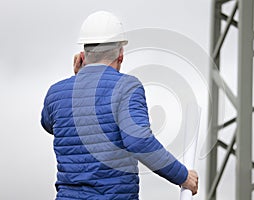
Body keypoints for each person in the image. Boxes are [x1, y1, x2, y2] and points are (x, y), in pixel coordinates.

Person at [41, 11, 198, 200]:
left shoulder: (56, 93)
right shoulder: (127, 87)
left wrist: (79, 79)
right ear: (121, 55)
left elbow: (50, 124)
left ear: (83, 54)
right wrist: (182, 176)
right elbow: (139, 141)